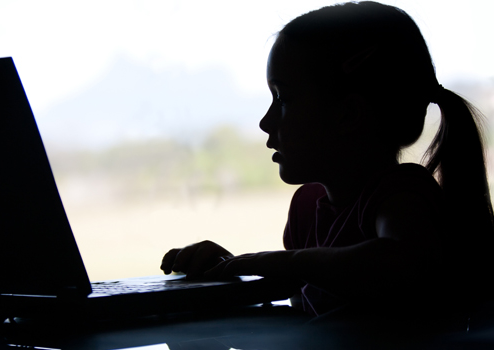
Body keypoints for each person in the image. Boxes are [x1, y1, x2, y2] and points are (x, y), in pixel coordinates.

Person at [160, 1, 494, 319]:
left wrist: (272, 263)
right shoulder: (306, 209)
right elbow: (312, 302)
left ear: (348, 113)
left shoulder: (401, 194)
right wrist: (232, 268)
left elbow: (403, 266)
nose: (265, 121)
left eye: (284, 98)